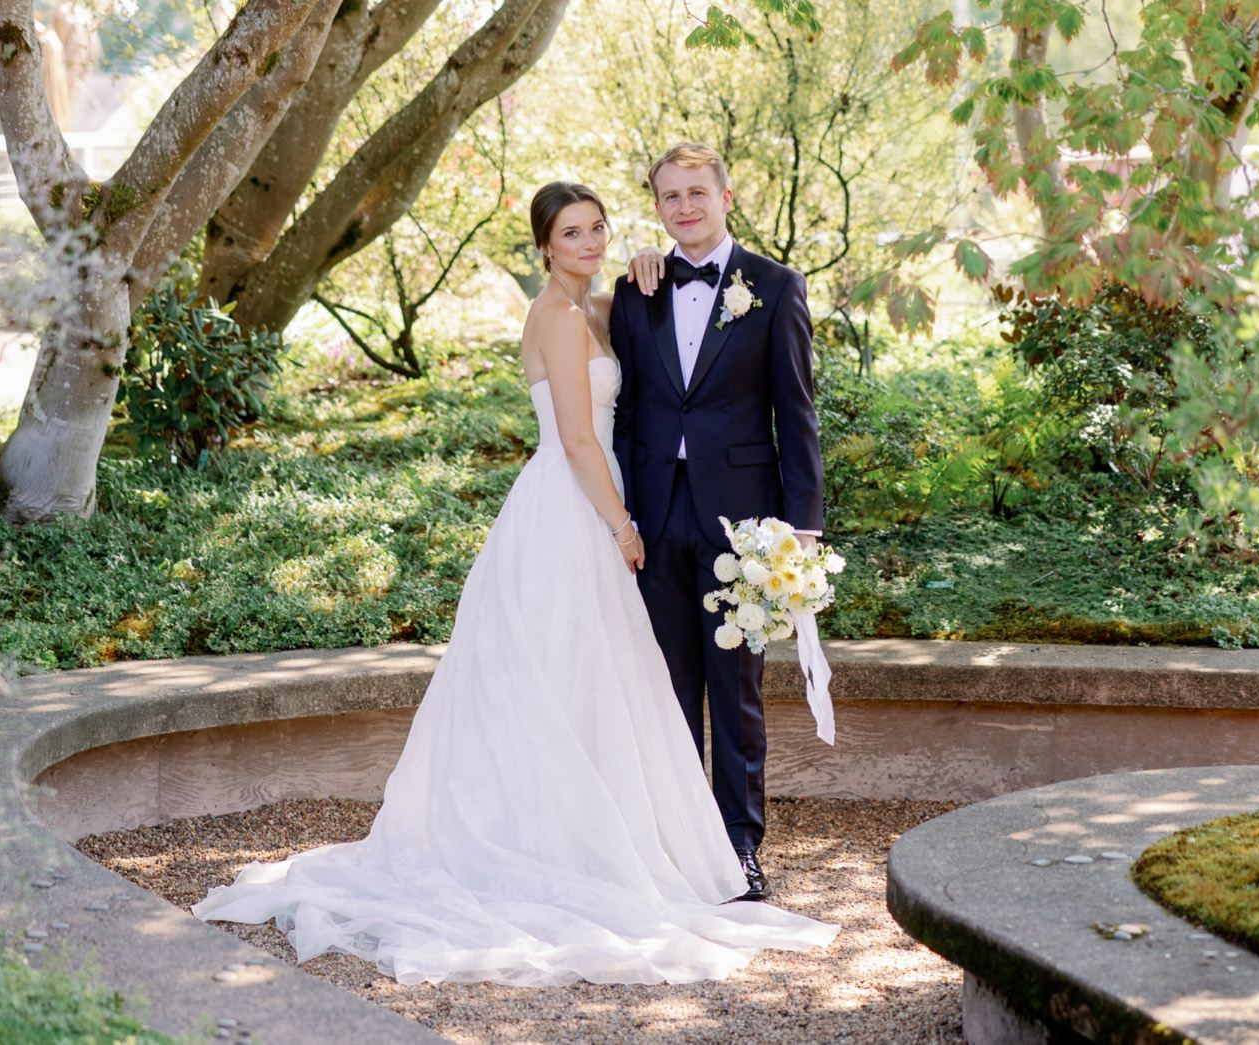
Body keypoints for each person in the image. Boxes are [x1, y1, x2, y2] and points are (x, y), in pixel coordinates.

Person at [191, 181, 836, 985]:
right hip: (575, 512)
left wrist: (652, 266)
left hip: (636, 514)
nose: (591, 241)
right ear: (544, 247)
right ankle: (554, 846)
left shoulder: (611, 307)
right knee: (560, 685)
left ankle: (657, 841)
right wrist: (624, 525)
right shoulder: (556, 318)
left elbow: (675, 354)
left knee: (604, 689)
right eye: (573, 232)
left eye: (599, 227)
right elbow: (574, 436)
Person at [609, 142, 826, 902]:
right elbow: (627, 410)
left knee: (735, 692)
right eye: (669, 196)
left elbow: (794, 412)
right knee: (666, 689)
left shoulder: (774, 285)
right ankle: (675, 842)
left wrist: (802, 530)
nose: (684, 207)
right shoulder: (636, 290)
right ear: (658, 206)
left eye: (696, 192)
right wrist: (621, 514)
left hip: (744, 526)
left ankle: (739, 847)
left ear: (726, 195)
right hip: (656, 518)